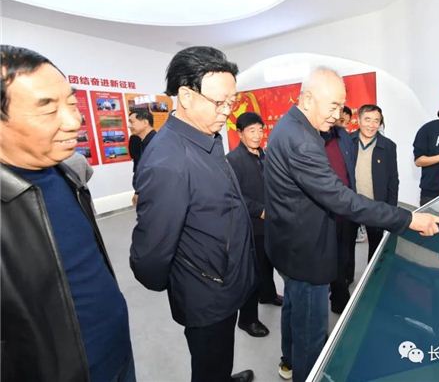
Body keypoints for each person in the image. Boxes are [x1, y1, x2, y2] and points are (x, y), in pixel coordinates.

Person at [264, 66, 439, 382]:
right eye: (333, 106)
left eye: (341, 107)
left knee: (294, 311)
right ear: (308, 99)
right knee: (311, 335)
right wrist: (407, 218)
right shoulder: (301, 140)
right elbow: (343, 199)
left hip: (289, 246)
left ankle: (290, 360)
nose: (338, 115)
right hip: (306, 252)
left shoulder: (291, 125)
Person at [1, 45, 134, 381]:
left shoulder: (68, 174)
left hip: (117, 352)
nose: (75, 121)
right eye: (48, 110)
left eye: (72, 104)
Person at [130, 46, 255, 382]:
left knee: (220, 358)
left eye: (232, 102)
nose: (227, 111)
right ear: (185, 96)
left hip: (223, 280)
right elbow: (150, 257)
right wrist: (195, 278)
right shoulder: (169, 160)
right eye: (220, 102)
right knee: (209, 366)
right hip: (206, 293)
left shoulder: (206, 136)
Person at [226, 112, 276, 339]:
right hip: (249, 225)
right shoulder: (232, 160)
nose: (257, 135)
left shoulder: (264, 155)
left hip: (270, 223)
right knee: (251, 273)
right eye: (251, 131)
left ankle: (268, 295)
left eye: (260, 130)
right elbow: (233, 196)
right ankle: (247, 320)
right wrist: (260, 210)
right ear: (240, 133)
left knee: (268, 263)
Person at [351, 104, 400, 261]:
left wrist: (391, 210)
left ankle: (372, 274)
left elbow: (393, 180)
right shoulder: (347, 141)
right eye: (367, 119)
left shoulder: (388, 146)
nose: (371, 125)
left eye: (376, 121)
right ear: (359, 120)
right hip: (349, 203)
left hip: (375, 206)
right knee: (345, 248)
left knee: (376, 249)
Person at [321, 122, 358, 314]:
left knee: (343, 255)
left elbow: (349, 169)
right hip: (322, 210)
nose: (336, 115)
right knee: (326, 257)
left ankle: (339, 297)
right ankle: (334, 296)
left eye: (339, 109)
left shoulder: (343, 135)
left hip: (345, 207)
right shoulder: (307, 136)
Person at [128, 109, 156, 205]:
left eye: (132, 122)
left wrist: (139, 192)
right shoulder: (144, 142)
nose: (129, 126)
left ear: (145, 123)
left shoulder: (156, 143)